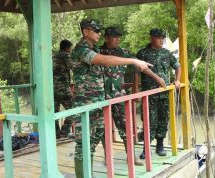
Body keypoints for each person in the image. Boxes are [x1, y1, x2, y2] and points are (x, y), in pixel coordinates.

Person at [71, 19, 152, 178]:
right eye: (95, 30)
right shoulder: (81, 49)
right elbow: (106, 61)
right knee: (83, 145)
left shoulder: (93, 48)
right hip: (85, 104)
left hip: (98, 102)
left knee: (92, 143)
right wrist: (133, 60)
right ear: (86, 31)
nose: (99, 33)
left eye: (99, 30)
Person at [100, 27, 165, 166]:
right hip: (100, 97)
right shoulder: (98, 52)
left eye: (119, 36)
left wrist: (156, 78)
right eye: (114, 36)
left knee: (126, 127)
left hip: (119, 96)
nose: (118, 39)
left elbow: (139, 67)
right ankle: (107, 156)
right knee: (103, 128)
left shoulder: (124, 52)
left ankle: (131, 157)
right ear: (106, 38)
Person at [135, 28, 181, 159]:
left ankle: (160, 145)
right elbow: (137, 72)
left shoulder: (167, 53)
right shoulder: (142, 53)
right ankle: (146, 148)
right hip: (149, 95)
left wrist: (177, 80)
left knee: (163, 119)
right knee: (149, 121)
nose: (161, 40)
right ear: (151, 38)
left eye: (163, 38)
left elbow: (178, 66)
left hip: (164, 94)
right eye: (158, 38)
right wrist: (136, 89)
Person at [53, 39, 74, 139]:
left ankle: (56, 134)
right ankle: (63, 133)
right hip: (62, 88)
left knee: (54, 113)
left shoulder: (53, 56)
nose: (70, 50)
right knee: (73, 110)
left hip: (51, 89)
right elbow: (74, 67)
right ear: (67, 48)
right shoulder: (65, 55)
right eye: (70, 49)